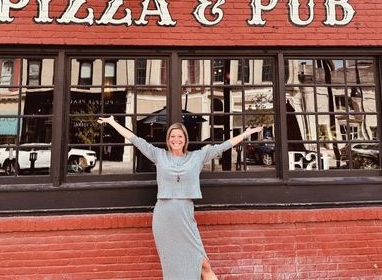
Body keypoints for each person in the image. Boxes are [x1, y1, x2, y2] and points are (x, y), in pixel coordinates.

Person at [97, 116, 263, 280]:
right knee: (173, 268)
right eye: (172, 136)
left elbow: (222, 147)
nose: (176, 139)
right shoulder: (158, 155)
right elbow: (135, 139)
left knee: (203, 264)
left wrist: (245, 134)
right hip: (164, 216)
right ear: (169, 140)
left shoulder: (197, 157)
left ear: (185, 139)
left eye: (180, 136)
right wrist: (112, 122)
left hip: (185, 215)